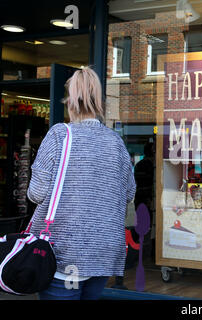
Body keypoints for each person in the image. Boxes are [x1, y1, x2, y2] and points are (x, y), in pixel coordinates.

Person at [26, 67, 136, 300]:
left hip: (65, 253)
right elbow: (128, 193)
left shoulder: (59, 135)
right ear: (98, 103)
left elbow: (36, 194)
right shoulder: (116, 142)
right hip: (104, 252)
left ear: (70, 102)